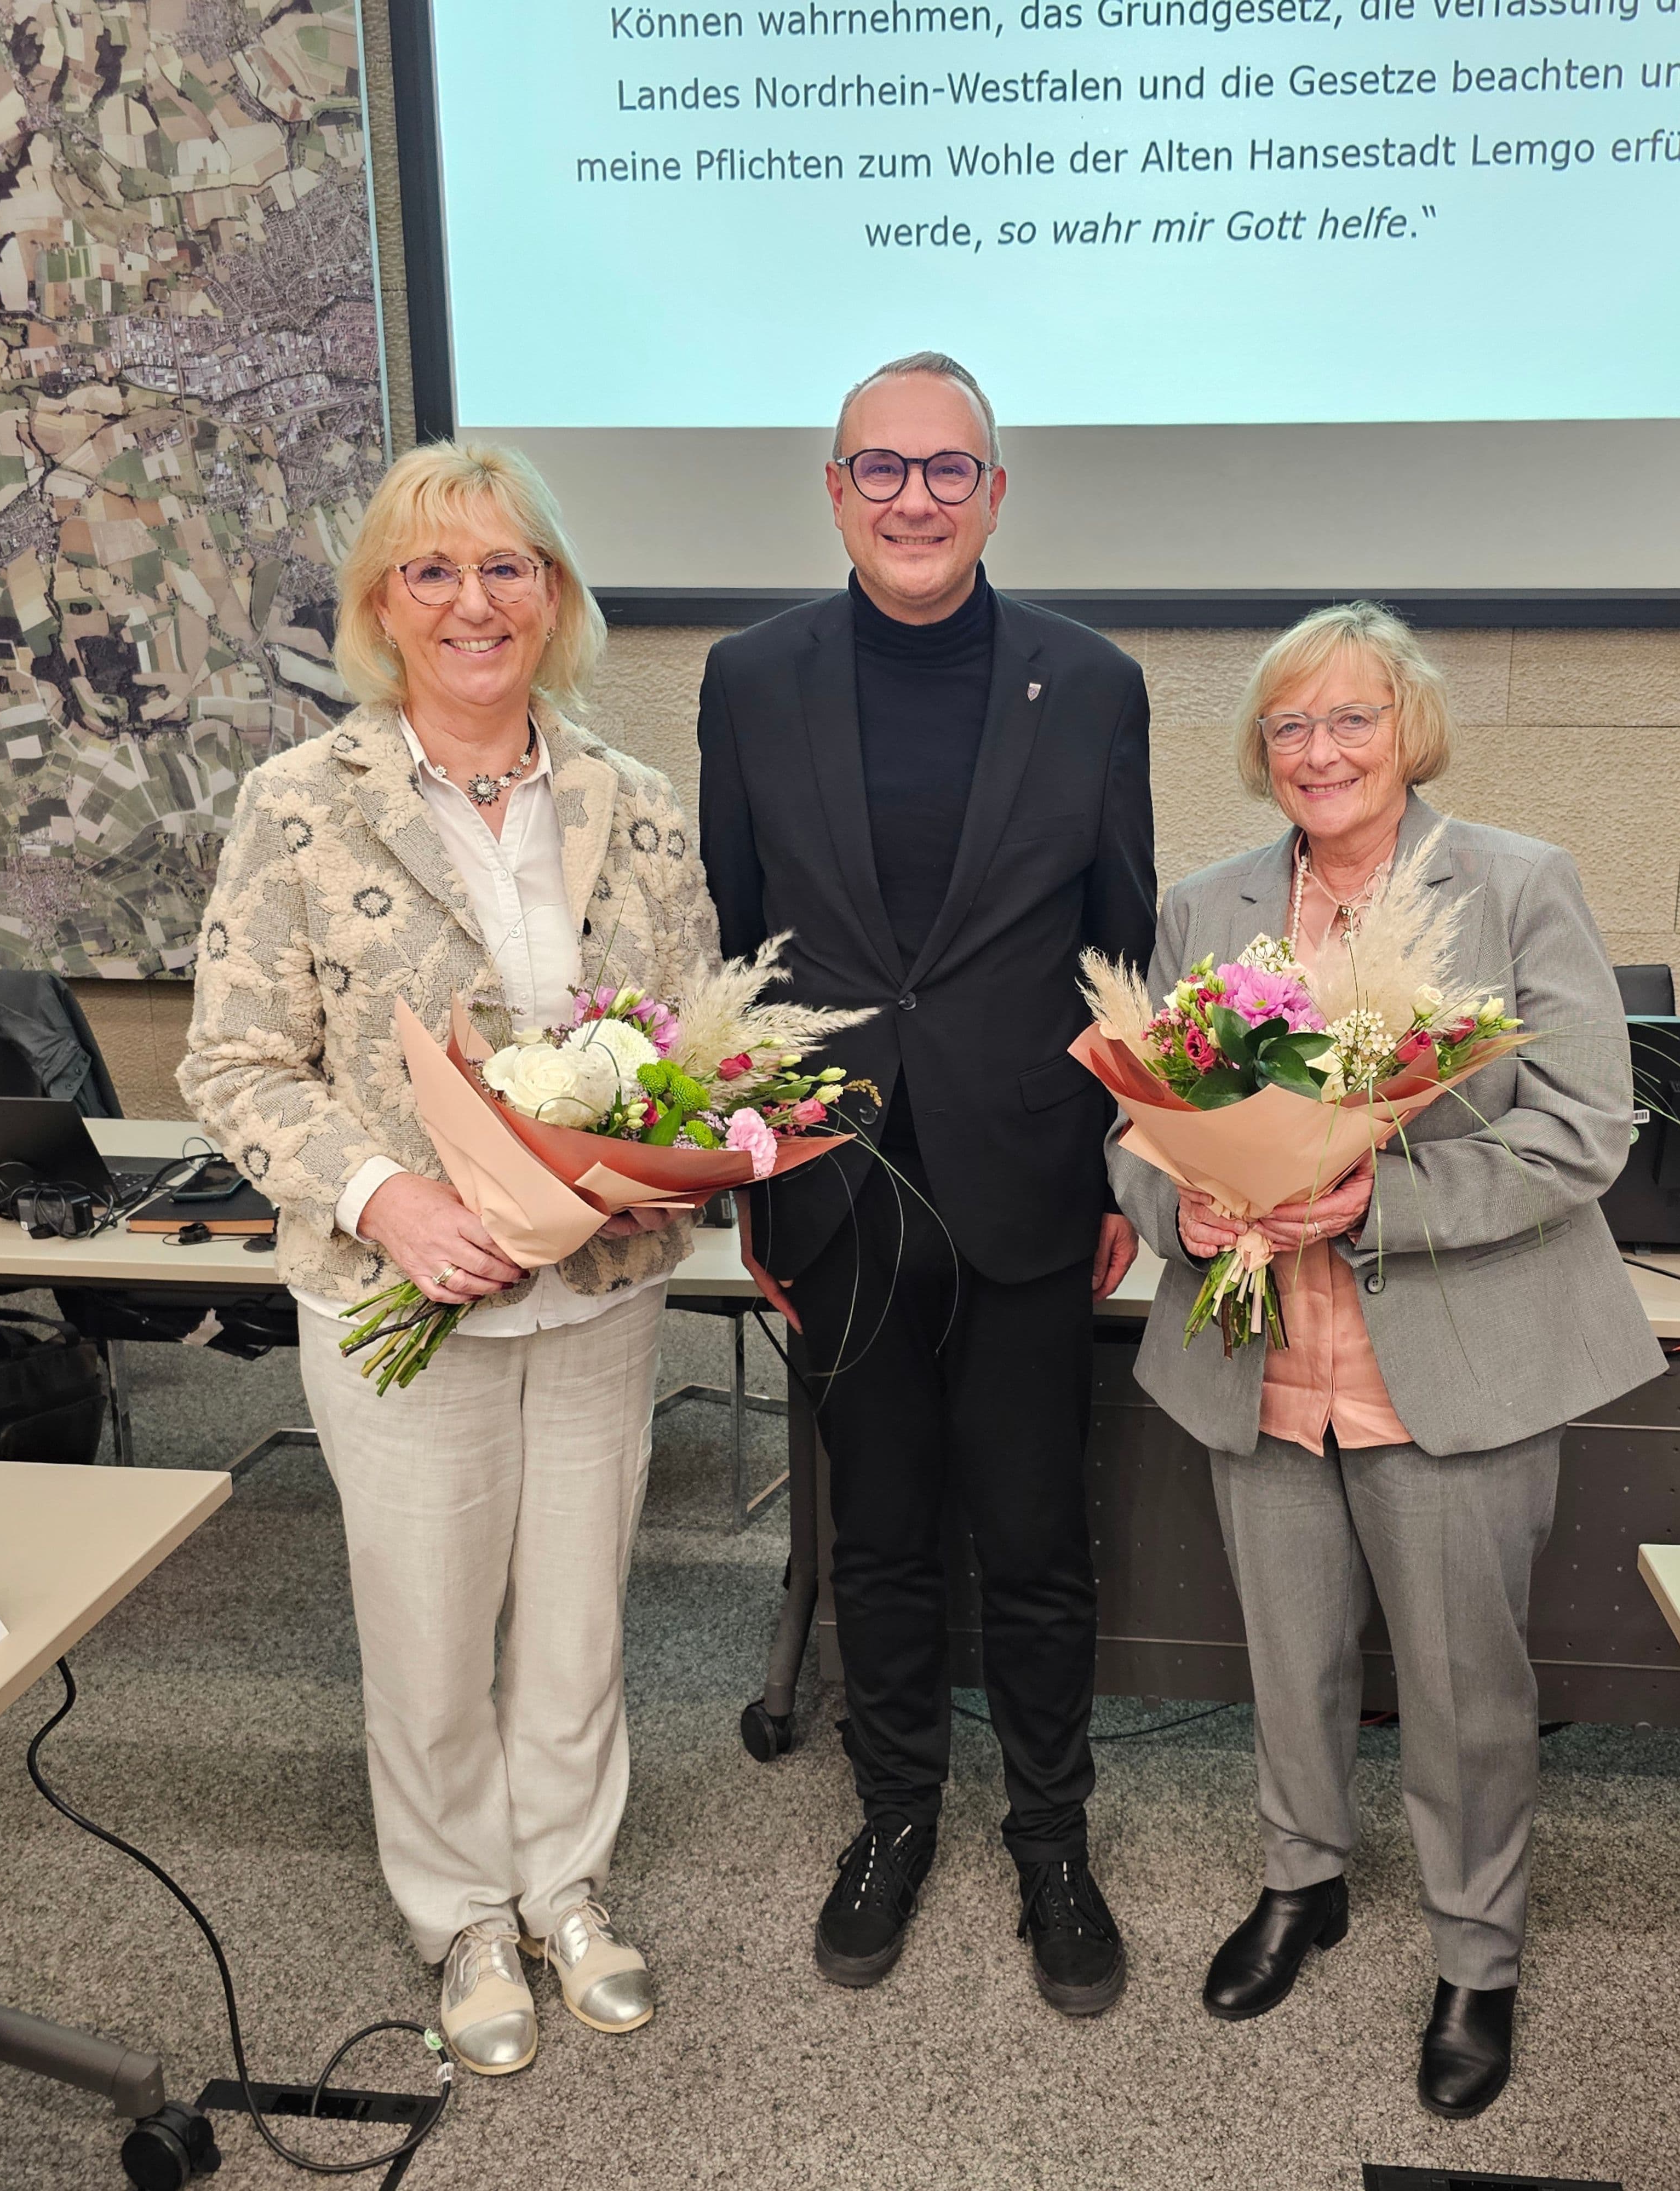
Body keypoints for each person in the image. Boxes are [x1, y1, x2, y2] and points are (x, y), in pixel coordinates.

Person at [181, 441, 718, 2077]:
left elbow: (700, 1047)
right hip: (398, 1297)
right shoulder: (297, 804)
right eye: (433, 572)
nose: (473, 602)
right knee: (423, 1626)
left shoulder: (633, 802)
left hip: (600, 1297)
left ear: (553, 599)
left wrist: (654, 1179)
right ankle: (461, 1916)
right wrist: (381, 1199)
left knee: (576, 1622)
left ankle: (565, 1886)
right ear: (381, 608)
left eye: (508, 569)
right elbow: (232, 1062)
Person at [1110, 600, 1664, 2114]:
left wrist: (1383, 1201)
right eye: (1290, 726)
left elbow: (1581, 1129)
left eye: (1351, 718)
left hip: (1452, 1362)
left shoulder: (1515, 885)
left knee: (1464, 1686)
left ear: (1407, 728)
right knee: (1287, 1664)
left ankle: (1478, 1951)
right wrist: (1187, 1201)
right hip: (1261, 1358)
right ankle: (1306, 1881)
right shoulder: (1203, 909)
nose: (1321, 750)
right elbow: (1136, 1128)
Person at [697, 352, 1156, 2014]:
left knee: (1035, 1539)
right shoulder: (751, 682)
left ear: (994, 494)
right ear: (834, 492)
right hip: (841, 1188)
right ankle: (893, 1819)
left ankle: (1052, 1837)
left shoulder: (1092, 685)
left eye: (946, 469)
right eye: (878, 469)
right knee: (879, 1534)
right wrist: (756, 1188)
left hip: (1035, 1186)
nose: (912, 496)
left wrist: (1122, 1170)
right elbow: (740, 958)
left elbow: (1122, 954)